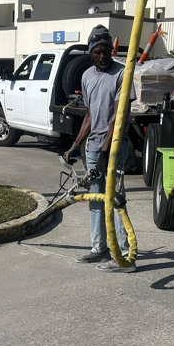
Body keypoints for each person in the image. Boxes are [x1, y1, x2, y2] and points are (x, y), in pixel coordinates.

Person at [64, 25, 136, 273]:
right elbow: (89, 116)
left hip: (114, 147)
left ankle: (124, 255)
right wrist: (76, 145)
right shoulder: (86, 76)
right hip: (93, 149)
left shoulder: (122, 73)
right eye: (97, 52)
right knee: (96, 198)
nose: (102, 56)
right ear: (91, 52)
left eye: (106, 51)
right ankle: (99, 248)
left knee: (115, 199)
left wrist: (107, 150)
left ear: (111, 50)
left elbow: (118, 114)